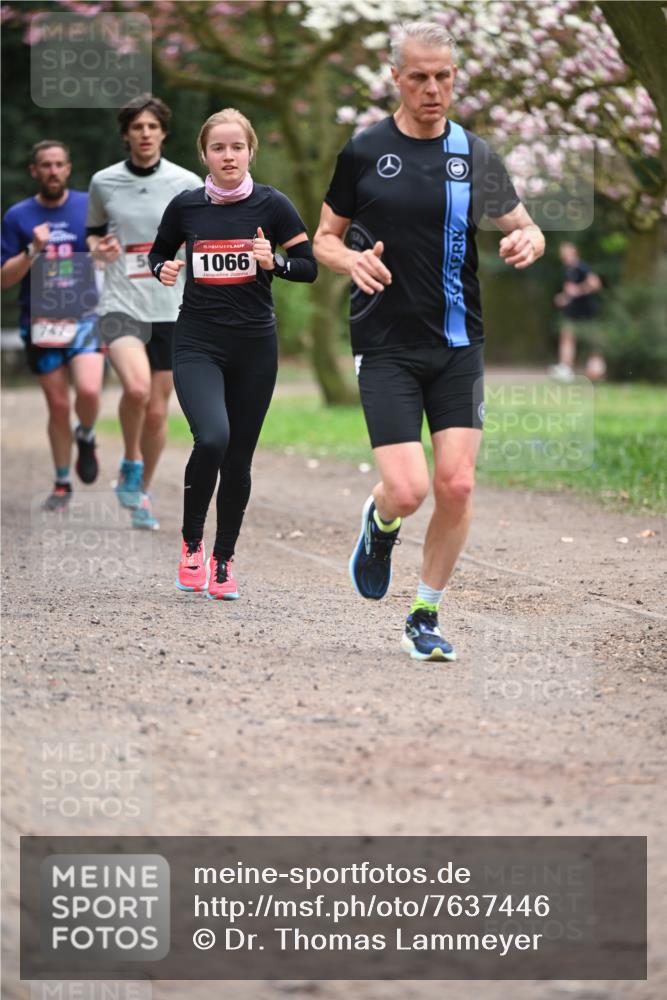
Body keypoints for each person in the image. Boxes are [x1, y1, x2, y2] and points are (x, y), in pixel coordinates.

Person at [313, 21, 545, 662]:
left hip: (458, 342)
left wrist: (530, 238)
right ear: (395, 77)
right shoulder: (363, 151)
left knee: (458, 485)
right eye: (418, 76)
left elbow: (522, 225)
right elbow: (324, 237)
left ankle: (424, 613)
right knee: (409, 490)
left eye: (443, 76)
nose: (432, 88)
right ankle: (381, 521)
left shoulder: (474, 152)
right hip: (385, 344)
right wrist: (348, 262)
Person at [149, 108, 317, 599]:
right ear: (204, 154)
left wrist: (277, 262)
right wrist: (162, 267)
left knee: (239, 458)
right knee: (214, 438)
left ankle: (223, 562)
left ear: (250, 151)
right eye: (218, 147)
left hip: (255, 346)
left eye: (237, 147)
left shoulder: (273, 205)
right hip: (198, 340)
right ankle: (190, 544)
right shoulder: (185, 207)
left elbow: (308, 266)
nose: (228, 155)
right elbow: (159, 252)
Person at [86, 94, 201, 529]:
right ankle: (130, 461)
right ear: (126, 135)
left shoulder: (186, 182)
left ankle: (143, 491)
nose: (145, 134)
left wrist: (186, 255)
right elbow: (94, 235)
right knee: (136, 390)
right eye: (137, 127)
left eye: (153, 127)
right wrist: (102, 248)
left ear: (163, 133)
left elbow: (200, 237)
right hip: (121, 303)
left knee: (157, 410)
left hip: (170, 307)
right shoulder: (104, 182)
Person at [1, 140, 103, 511]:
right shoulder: (18, 217)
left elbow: (108, 253)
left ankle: (87, 435)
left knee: (89, 391)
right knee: (58, 405)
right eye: (46, 165)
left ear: (69, 168)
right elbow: (3, 279)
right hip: (41, 321)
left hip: (85, 316)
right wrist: (32, 250)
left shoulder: (87, 206)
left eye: (59, 164)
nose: (53, 171)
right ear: (35, 171)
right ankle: (62, 482)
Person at [549, 241, 605, 382]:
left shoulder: (581, 267)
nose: (564, 255)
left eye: (566, 252)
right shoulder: (567, 269)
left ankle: (596, 367)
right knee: (567, 335)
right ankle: (565, 368)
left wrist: (578, 290)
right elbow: (570, 291)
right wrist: (563, 297)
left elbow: (595, 283)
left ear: (574, 252)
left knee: (592, 339)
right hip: (573, 310)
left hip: (587, 309)